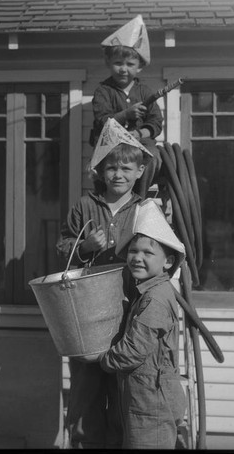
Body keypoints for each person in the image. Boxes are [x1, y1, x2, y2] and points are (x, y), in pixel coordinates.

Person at [56, 119, 153, 449]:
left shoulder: (145, 209)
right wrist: (85, 247)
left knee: (125, 391)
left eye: (126, 168)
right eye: (111, 167)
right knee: (86, 392)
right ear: (100, 170)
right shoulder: (85, 206)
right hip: (86, 315)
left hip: (129, 313)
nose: (118, 175)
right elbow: (63, 247)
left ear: (139, 171)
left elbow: (159, 255)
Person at [97, 198, 187, 449]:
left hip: (152, 401)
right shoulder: (144, 292)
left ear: (168, 262)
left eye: (148, 253)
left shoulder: (156, 298)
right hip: (141, 397)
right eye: (133, 251)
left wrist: (103, 360)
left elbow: (133, 351)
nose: (137, 258)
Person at [91, 14, 163, 198]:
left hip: (140, 145)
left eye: (130, 64)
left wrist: (138, 134)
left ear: (139, 66)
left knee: (153, 157)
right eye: (118, 63)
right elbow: (102, 121)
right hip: (110, 145)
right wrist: (126, 114)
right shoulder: (103, 91)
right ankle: (108, 201)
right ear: (109, 62)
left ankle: (137, 198)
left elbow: (155, 122)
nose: (123, 69)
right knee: (104, 168)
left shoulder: (145, 92)